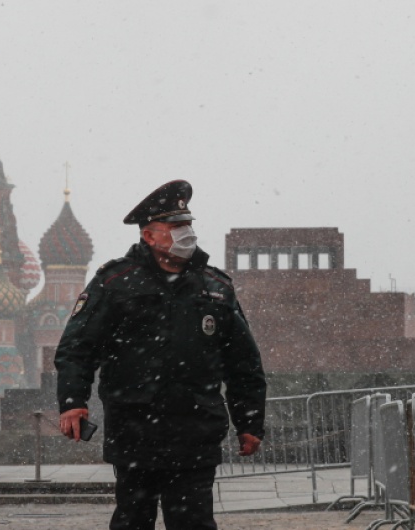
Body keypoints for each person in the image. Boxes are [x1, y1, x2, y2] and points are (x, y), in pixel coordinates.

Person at [55, 180, 266, 530]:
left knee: (194, 522)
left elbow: (243, 363)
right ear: (149, 236)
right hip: (134, 428)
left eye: (188, 225)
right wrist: (72, 400)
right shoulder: (116, 282)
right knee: (133, 520)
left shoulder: (215, 287)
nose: (187, 234)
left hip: (195, 429)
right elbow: (77, 347)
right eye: (176, 227)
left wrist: (250, 422)